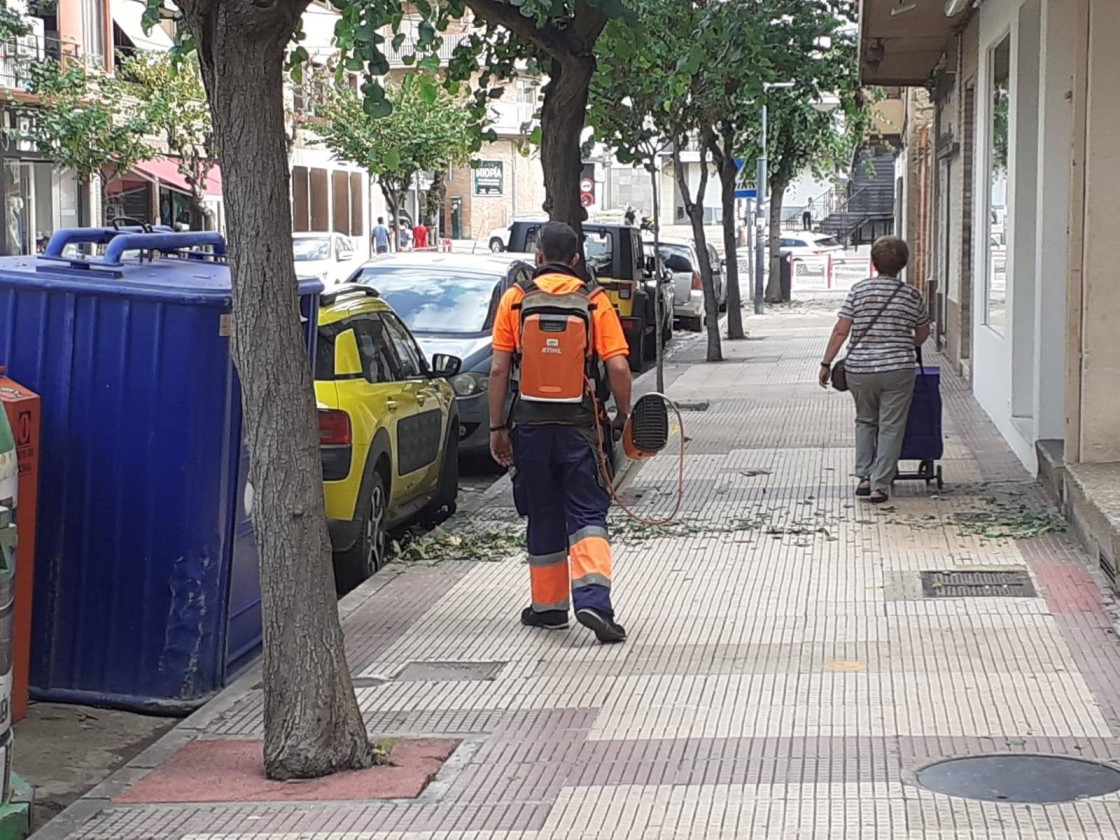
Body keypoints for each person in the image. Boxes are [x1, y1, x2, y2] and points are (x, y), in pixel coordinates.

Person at [489, 221, 632, 644]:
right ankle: (592, 599)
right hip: (580, 427)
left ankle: (549, 608)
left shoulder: (515, 300)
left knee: (543, 512)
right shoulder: (594, 301)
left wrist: (497, 427)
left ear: (537, 256)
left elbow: (499, 368)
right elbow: (619, 367)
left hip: (529, 427)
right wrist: (623, 417)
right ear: (575, 259)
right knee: (587, 513)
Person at [819, 236, 930, 505]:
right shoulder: (911, 294)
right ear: (903, 264)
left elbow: (841, 331)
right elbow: (923, 332)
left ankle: (865, 476)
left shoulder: (858, 291)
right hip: (898, 370)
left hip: (860, 370)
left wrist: (826, 363)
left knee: (865, 420)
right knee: (892, 426)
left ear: (873, 261)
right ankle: (880, 485)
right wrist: (903, 345)